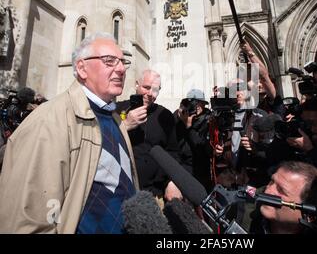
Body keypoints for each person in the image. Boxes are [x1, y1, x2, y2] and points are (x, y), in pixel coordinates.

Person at [0, 33, 139, 233]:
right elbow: (27, 219)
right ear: (82, 68)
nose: (120, 69)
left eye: (123, 62)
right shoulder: (48, 120)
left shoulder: (114, 117)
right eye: (109, 61)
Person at [117, 69, 182, 204]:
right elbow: (104, 141)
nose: (150, 94)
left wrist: (171, 181)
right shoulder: (117, 110)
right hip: (121, 192)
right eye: (146, 87)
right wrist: (126, 124)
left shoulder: (165, 115)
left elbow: (173, 153)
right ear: (137, 84)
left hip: (154, 194)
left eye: (155, 90)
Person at [246, 161, 317, 234]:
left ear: (309, 214)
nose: (267, 191)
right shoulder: (242, 213)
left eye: (281, 190)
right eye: (272, 181)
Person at [175, 89, 213, 193]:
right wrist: (180, 119)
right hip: (183, 167)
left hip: (200, 169)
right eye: (193, 103)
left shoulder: (208, 120)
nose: (197, 107)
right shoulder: (181, 117)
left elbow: (201, 146)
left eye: (200, 103)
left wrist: (189, 127)